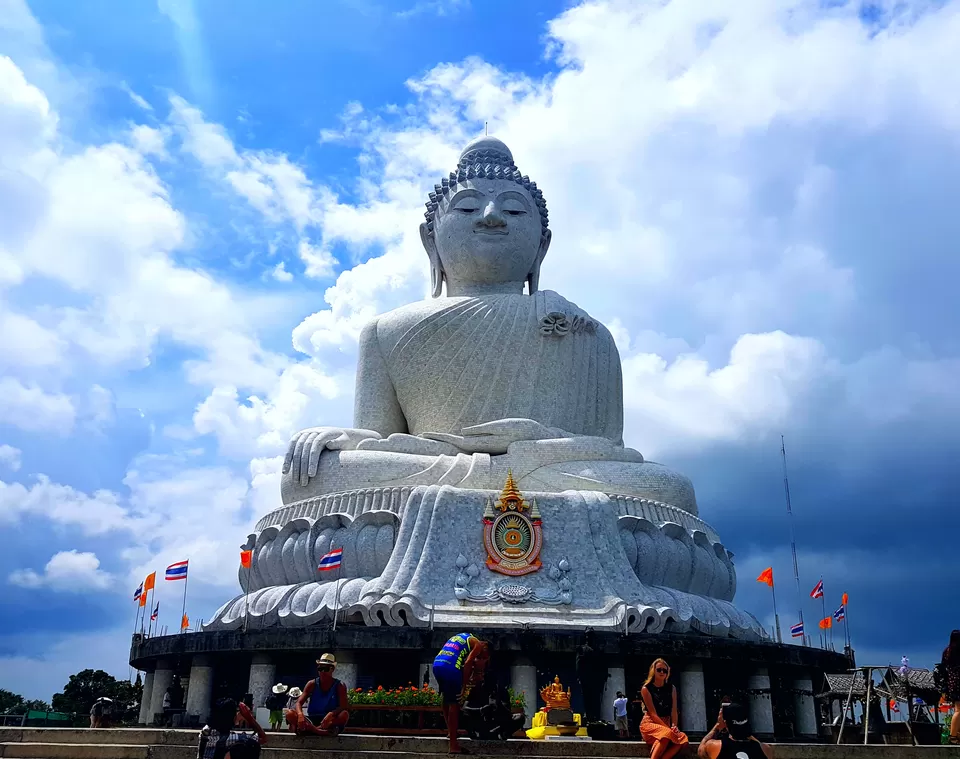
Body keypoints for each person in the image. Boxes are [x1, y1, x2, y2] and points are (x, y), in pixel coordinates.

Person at [432, 632, 491, 754]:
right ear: (485, 647)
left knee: (446, 698)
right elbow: (468, 662)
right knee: (455, 703)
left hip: (437, 664)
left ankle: (450, 732)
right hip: (450, 668)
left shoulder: (461, 637)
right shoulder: (478, 644)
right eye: (483, 657)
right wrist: (463, 686)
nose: (481, 658)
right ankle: (454, 745)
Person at [286, 653, 349, 736]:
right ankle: (319, 731)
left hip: (329, 720)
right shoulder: (312, 684)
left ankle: (311, 730)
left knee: (344, 714)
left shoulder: (340, 685)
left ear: (332, 669)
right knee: (290, 713)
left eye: (325, 669)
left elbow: (343, 706)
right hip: (312, 718)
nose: (322, 672)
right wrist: (300, 715)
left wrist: (331, 713)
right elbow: (299, 702)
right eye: (320, 668)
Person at [640, 659, 688, 759]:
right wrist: (668, 729)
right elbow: (653, 714)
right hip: (650, 722)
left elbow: (674, 710)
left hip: (666, 722)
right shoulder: (646, 689)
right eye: (659, 670)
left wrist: (674, 726)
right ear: (653, 671)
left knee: (683, 738)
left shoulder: (672, 688)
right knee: (666, 734)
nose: (662, 672)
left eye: (665, 670)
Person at [198, 698, 267, 759]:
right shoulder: (231, 738)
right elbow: (262, 738)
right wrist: (249, 717)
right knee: (251, 745)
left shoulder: (205, 732)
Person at [698, 702, 772, 759]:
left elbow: (701, 751)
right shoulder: (765, 749)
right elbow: (757, 744)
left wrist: (717, 726)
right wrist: (746, 731)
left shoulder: (715, 746)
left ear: (726, 724)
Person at [941, 629, 960, 745]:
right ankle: (953, 736)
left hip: (952, 683)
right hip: (958, 683)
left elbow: (943, 669)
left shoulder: (947, 651)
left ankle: (955, 735)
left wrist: (945, 687)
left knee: (957, 710)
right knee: (958, 710)